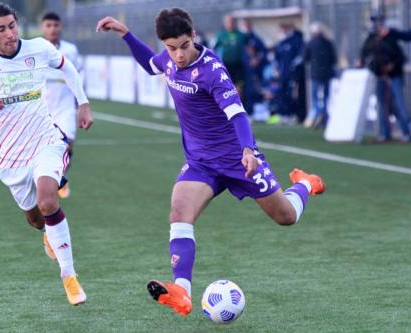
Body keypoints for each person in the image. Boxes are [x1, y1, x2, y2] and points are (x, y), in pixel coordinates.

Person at [96, 8, 326, 317]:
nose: (177, 55)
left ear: (193, 36)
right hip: (201, 162)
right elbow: (151, 64)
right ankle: (182, 291)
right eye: (171, 48)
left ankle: (305, 183)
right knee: (179, 211)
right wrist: (126, 34)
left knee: (285, 216)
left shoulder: (212, 71)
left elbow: (238, 114)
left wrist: (247, 150)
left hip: (237, 159)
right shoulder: (169, 60)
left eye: (182, 46)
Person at [0, 2, 93, 305]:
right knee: (36, 218)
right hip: (10, 155)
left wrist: (82, 102)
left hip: (46, 140)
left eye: (12, 26)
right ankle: (47, 232)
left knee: (48, 200)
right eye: (1, 29)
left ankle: (69, 276)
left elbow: (66, 66)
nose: (9, 34)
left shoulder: (39, 48)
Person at [41, 12, 84, 199]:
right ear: (43, 27)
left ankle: (60, 176)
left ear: (61, 27)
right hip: (42, 107)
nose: (52, 29)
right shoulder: (37, 49)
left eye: (55, 25)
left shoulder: (71, 50)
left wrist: (82, 103)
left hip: (65, 104)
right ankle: (50, 179)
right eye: (48, 25)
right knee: (42, 149)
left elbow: (79, 75)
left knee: (67, 145)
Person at [360, 15, 411, 142]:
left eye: (377, 23)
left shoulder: (390, 38)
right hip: (379, 76)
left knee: (399, 104)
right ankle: (385, 133)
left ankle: (406, 132)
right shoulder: (371, 39)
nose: (375, 25)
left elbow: (401, 58)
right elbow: (364, 53)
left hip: (394, 76)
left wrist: (392, 65)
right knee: (382, 105)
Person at [303, 22, 337, 128]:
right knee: (326, 96)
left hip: (315, 73)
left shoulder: (310, 43)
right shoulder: (328, 43)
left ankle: (319, 113)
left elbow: (305, 58)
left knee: (315, 97)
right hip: (327, 73)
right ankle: (325, 114)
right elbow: (334, 59)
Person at [273, 22, 305, 124]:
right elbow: (276, 58)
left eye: (284, 30)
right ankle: (283, 114)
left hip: (292, 75)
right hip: (282, 75)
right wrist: (276, 68)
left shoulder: (296, 41)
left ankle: (293, 115)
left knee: (292, 95)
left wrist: (293, 67)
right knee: (282, 94)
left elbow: (300, 57)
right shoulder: (281, 43)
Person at [213, 15, 247, 92]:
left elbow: (250, 47)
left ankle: (239, 103)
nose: (230, 24)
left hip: (238, 65)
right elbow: (212, 49)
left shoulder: (241, 35)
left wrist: (253, 58)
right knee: (226, 88)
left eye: (232, 22)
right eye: (228, 22)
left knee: (239, 88)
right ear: (225, 23)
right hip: (225, 65)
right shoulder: (220, 35)